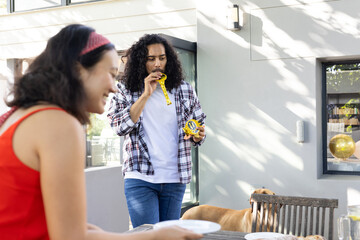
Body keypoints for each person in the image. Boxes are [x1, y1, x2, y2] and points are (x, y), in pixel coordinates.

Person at [0, 24, 202, 240]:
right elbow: (71, 236)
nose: (114, 87)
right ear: (79, 70)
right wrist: (152, 237)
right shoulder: (59, 123)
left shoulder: (22, 115)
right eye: (111, 74)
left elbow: (63, 225)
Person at [107, 34, 206, 228]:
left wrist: (198, 134)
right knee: (147, 235)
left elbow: (199, 124)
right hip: (140, 177)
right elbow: (118, 126)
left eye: (162, 58)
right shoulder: (125, 90)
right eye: (151, 59)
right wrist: (145, 95)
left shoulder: (184, 89)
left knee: (169, 235)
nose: (157, 64)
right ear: (140, 62)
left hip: (175, 178)